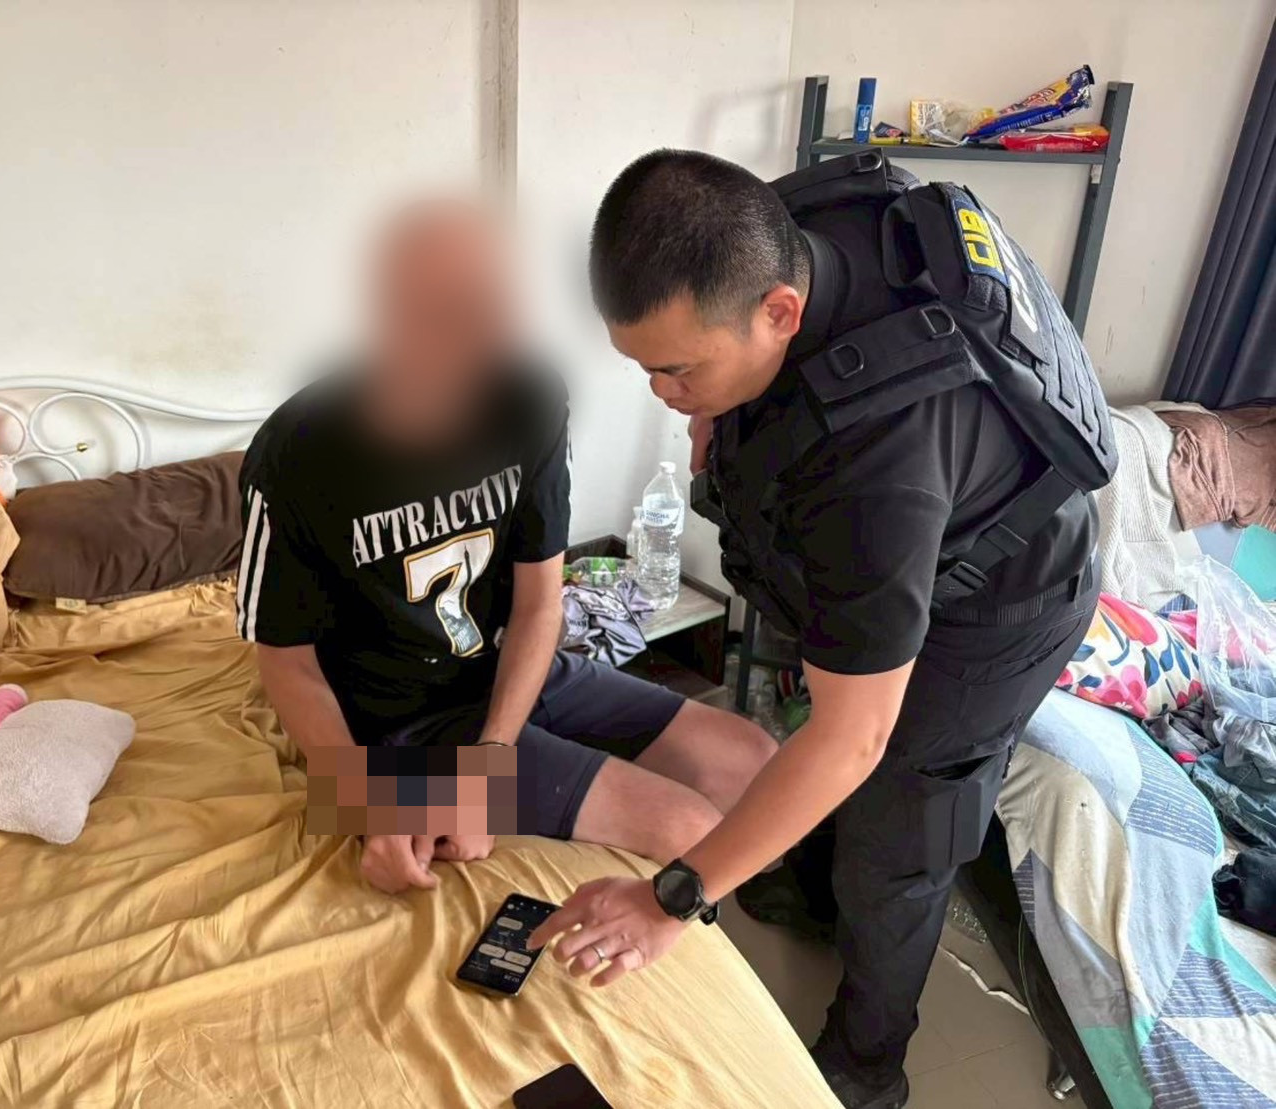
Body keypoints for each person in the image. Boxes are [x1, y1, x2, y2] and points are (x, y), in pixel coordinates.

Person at [528, 150, 1113, 1109]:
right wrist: (711, 409)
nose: (661, 394)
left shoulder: (875, 475)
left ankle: (867, 1062)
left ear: (779, 312)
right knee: (819, 761)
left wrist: (672, 899)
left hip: (993, 610)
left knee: (897, 839)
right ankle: (805, 887)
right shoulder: (794, 219)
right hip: (917, 537)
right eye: (644, 367)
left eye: (676, 370)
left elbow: (853, 738)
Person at [237, 200, 776, 898]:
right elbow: (285, 662)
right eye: (451, 311)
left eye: (496, 305)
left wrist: (492, 761)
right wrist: (365, 804)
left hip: (509, 672)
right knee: (690, 830)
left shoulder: (527, 399)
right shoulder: (298, 455)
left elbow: (538, 602)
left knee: (752, 759)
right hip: (391, 723)